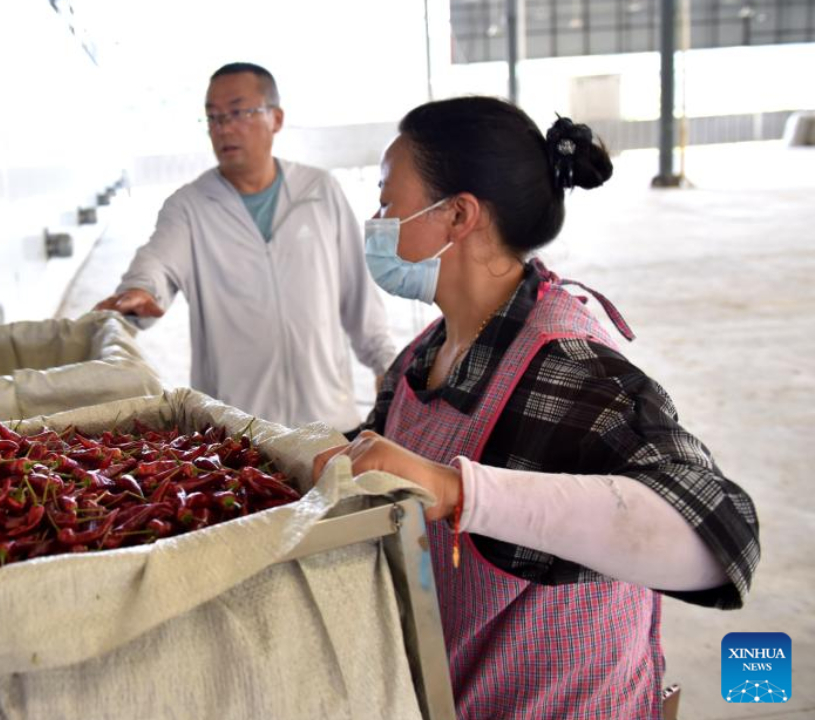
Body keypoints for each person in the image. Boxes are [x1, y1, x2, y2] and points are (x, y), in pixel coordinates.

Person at [313, 97, 760, 719]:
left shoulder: (568, 366)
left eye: (388, 201)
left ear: (458, 215)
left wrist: (456, 490)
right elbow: (374, 456)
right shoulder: (426, 353)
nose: (377, 220)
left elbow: (720, 538)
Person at [94, 62, 395, 432]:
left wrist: (386, 364)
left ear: (277, 118)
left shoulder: (319, 191)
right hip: (239, 436)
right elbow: (156, 262)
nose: (224, 128)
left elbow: (358, 296)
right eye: (213, 117)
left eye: (238, 112)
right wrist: (139, 291)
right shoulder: (190, 207)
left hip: (328, 423)